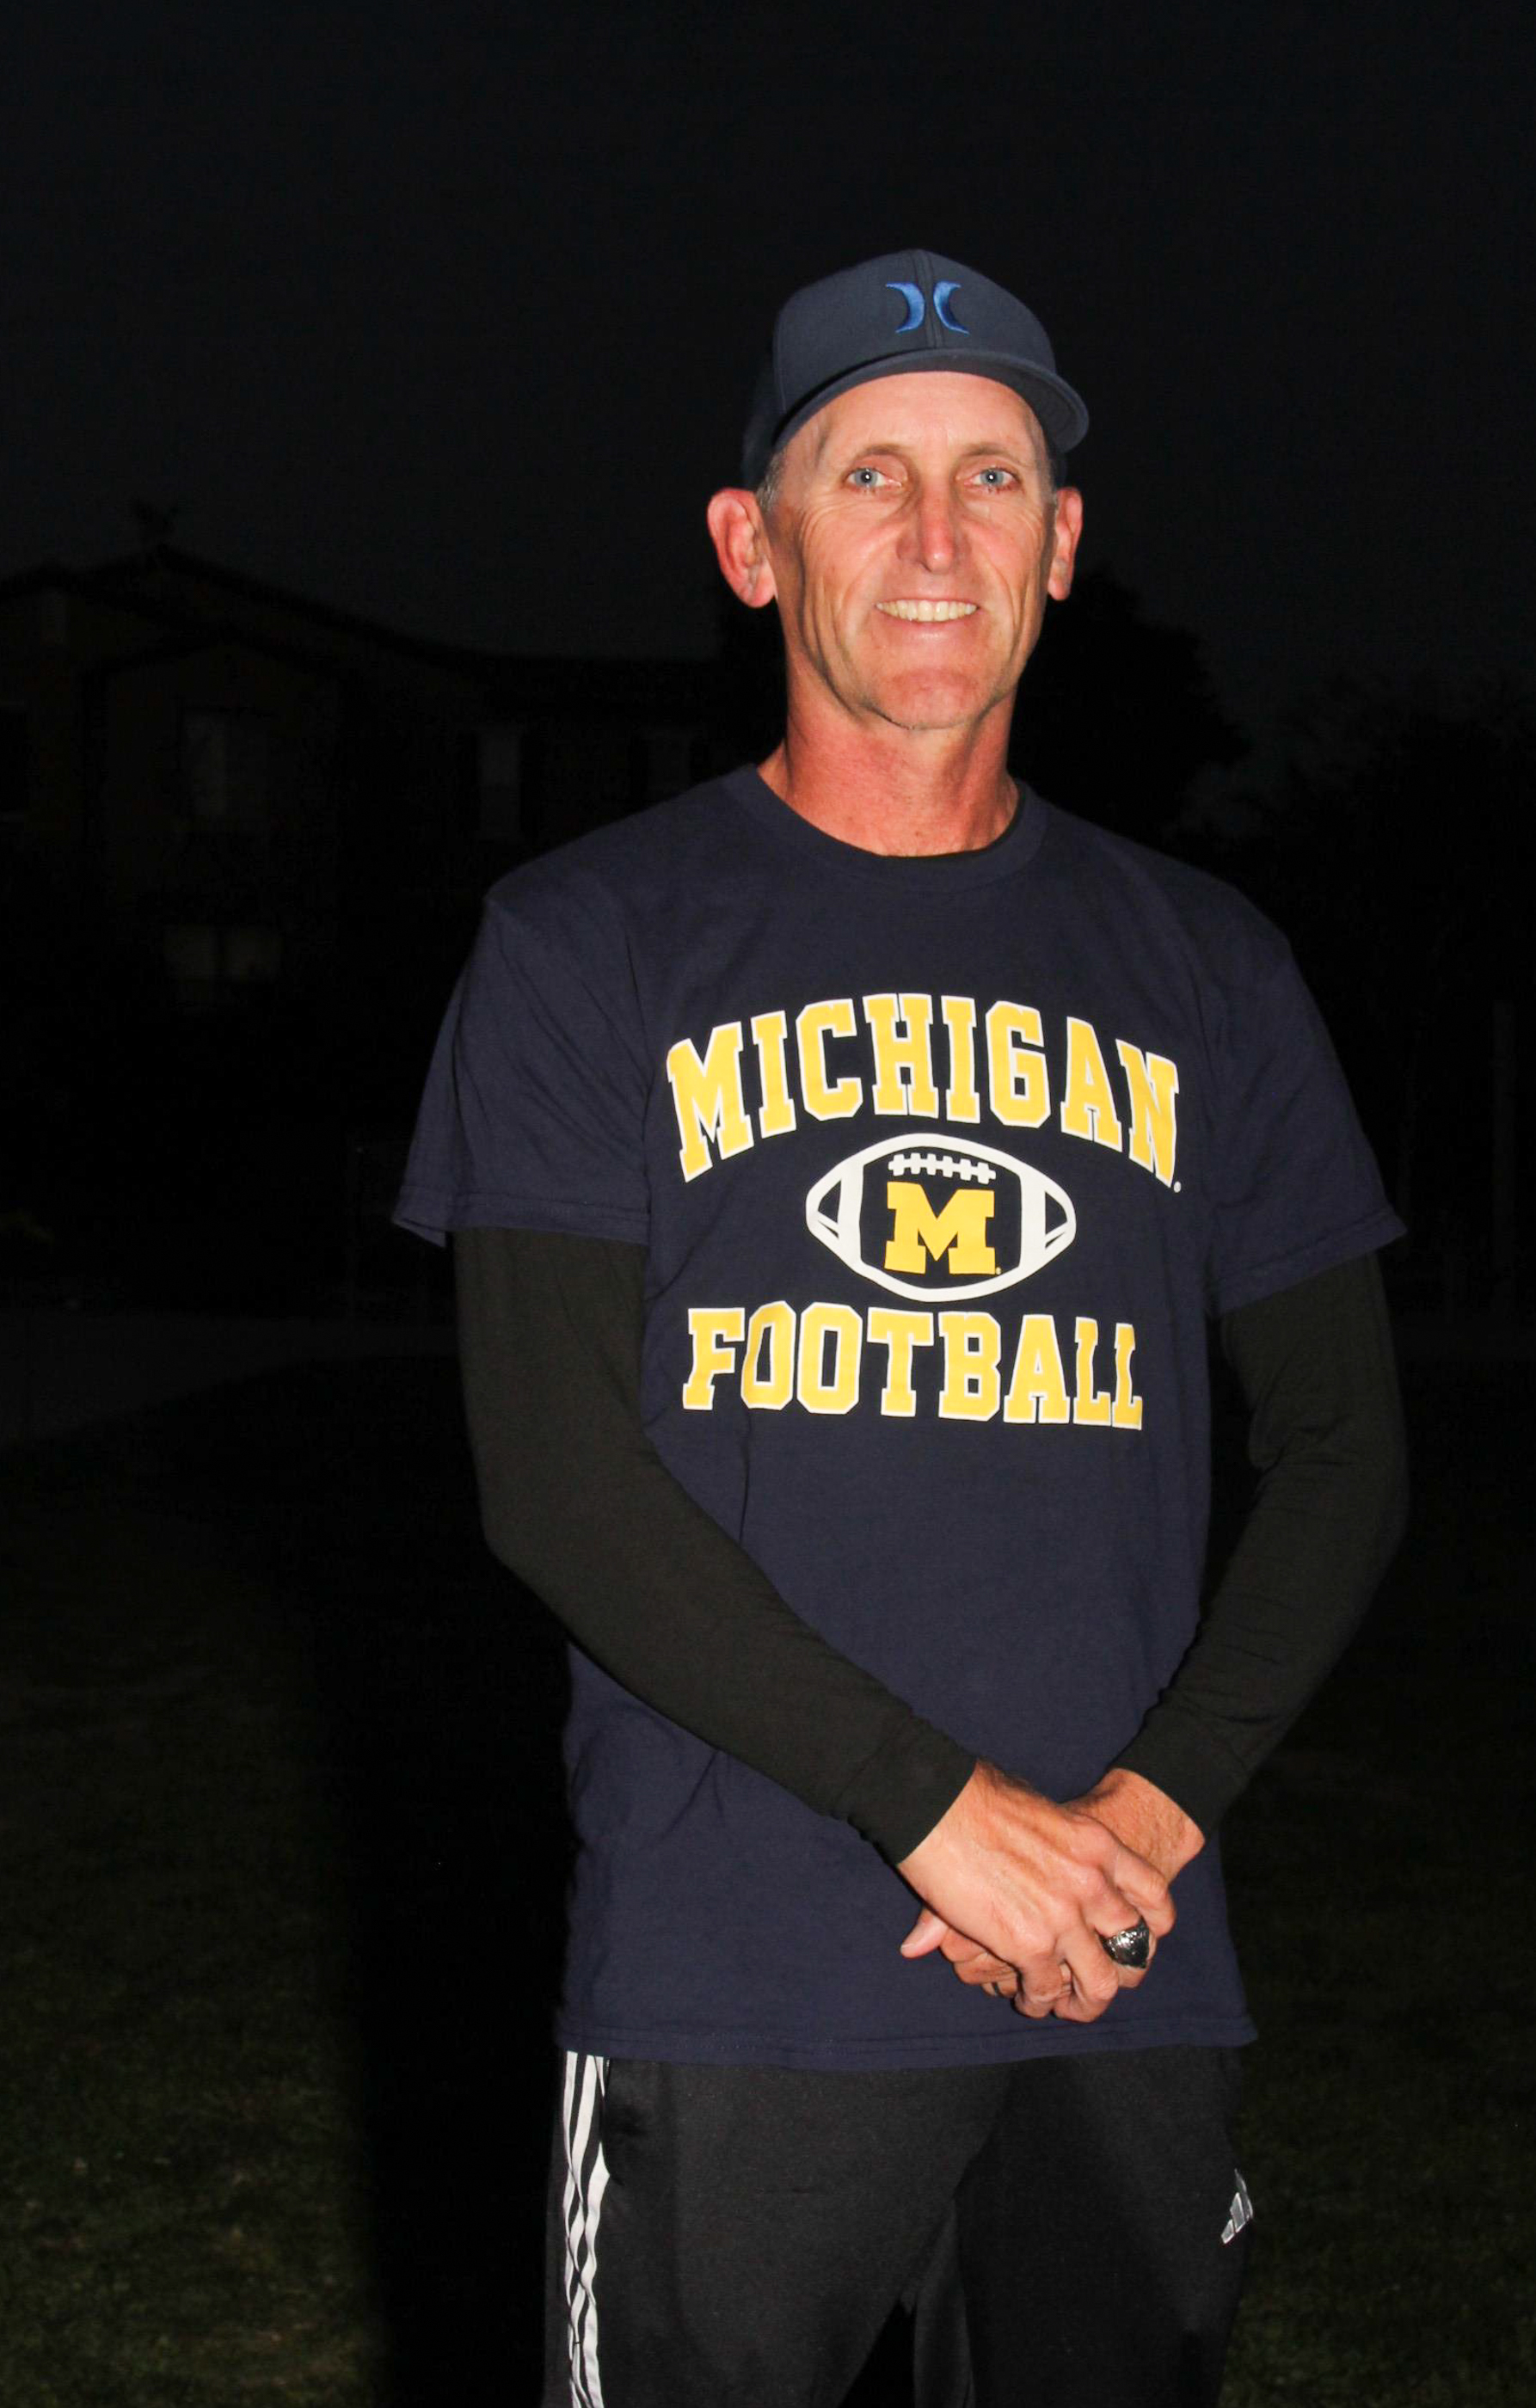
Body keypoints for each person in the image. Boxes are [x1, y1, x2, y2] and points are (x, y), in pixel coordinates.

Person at [396, 248, 1409, 2407]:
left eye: (991, 477)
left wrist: (1143, 1819)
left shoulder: (1207, 963)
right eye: (868, 474)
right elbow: (555, 1473)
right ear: (751, 545)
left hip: (1118, 1967)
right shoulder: (585, 943)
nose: (937, 536)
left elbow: (1345, 1447)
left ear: (1062, 542)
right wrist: (933, 1806)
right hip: (737, 1965)